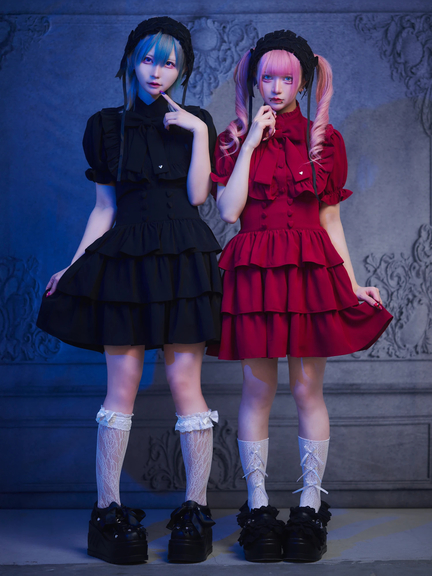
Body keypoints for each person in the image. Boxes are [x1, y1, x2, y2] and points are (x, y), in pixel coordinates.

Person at [37, 16, 222, 565]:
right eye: (148, 59)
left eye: (169, 63)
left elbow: (198, 198)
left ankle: (195, 510)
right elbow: (104, 209)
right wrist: (74, 267)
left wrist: (198, 132)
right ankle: (107, 512)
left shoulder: (197, 122)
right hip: (127, 264)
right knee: (121, 388)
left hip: (184, 260)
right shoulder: (105, 126)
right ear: (130, 62)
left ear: (182, 70)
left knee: (187, 386)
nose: (157, 72)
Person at [210, 29, 393, 563]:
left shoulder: (324, 141)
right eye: (267, 77)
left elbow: (331, 219)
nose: (276, 87)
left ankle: (310, 509)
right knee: (257, 392)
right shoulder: (233, 138)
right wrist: (251, 141)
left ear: (304, 83)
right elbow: (228, 212)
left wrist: (350, 282)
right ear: (254, 80)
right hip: (255, 273)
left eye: (287, 78)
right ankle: (258, 509)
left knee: (309, 389)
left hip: (311, 272)